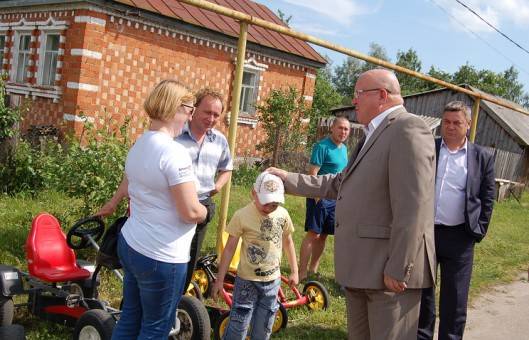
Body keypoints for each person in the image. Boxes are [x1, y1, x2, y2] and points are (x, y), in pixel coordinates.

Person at [268, 68, 436, 340]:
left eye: (358, 94)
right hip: (362, 267)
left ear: (381, 95)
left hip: (388, 273)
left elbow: (414, 205)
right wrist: (287, 179)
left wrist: (400, 266)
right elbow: (338, 183)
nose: (354, 101)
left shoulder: (408, 128)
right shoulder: (374, 132)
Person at [97, 80, 207, 339]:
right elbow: (190, 212)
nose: (190, 117)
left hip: (133, 243)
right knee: (155, 329)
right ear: (175, 109)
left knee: (130, 318)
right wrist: (205, 213)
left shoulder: (140, 144)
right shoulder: (174, 153)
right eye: (190, 109)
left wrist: (112, 203)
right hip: (162, 255)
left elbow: (129, 182)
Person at [417, 101, 496, 340]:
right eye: (446, 122)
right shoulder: (430, 148)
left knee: (455, 297)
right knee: (423, 293)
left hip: (461, 237)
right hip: (427, 233)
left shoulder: (481, 157)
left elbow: (487, 196)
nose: (450, 127)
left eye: (456, 122)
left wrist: (478, 229)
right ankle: (421, 336)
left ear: (468, 125)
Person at [211, 172, 298, 340]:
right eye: (266, 203)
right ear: (253, 193)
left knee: (265, 325)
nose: (270, 207)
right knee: (238, 324)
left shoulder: (282, 215)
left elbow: (288, 242)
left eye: (274, 204)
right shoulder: (242, 216)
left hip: (273, 281)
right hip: (246, 282)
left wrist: (294, 270)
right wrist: (220, 280)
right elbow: (229, 249)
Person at [175, 88, 233, 290]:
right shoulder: (175, 134)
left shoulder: (219, 140)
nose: (212, 118)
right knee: (171, 253)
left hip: (202, 204)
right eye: (207, 112)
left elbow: (227, 168)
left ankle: (180, 296)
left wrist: (217, 186)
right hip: (174, 203)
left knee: (191, 254)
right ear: (194, 109)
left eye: (216, 114)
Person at [299, 116, 350, 281]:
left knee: (324, 235)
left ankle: (313, 269)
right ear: (332, 128)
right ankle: (301, 272)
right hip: (320, 197)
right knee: (313, 234)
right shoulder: (321, 146)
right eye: (341, 128)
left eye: (346, 129)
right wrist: (317, 198)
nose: (343, 132)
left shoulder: (343, 149)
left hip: (335, 200)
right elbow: (313, 174)